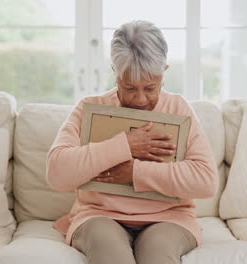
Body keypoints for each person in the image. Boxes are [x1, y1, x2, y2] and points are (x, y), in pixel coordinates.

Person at [46, 20, 218, 264]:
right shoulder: (90, 108)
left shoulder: (179, 109)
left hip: (168, 218)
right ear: (115, 74)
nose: (140, 100)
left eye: (150, 88)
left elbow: (206, 181)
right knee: (109, 252)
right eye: (129, 88)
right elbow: (56, 173)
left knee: (158, 254)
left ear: (164, 73)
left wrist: (135, 172)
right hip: (100, 216)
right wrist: (124, 145)